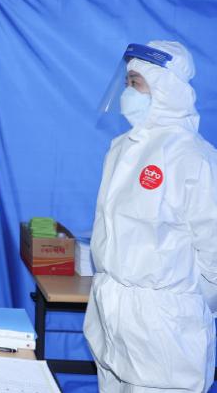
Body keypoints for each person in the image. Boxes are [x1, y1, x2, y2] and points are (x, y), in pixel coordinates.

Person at [84, 41, 217, 392]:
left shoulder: (194, 157)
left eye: (135, 83)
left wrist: (182, 300)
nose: (127, 93)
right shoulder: (120, 149)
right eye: (126, 83)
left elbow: (214, 252)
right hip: (112, 320)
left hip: (165, 328)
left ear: (165, 88)